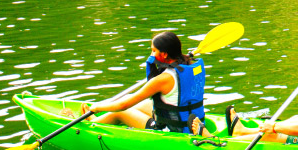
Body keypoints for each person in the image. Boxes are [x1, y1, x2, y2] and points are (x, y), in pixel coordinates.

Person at [80, 31, 208, 135]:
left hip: (175, 131)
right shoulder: (190, 65)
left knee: (121, 112)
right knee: (136, 101)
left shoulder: (163, 79)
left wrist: (97, 107)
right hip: (192, 121)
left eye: (153, 50)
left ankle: (92, 124)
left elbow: (124, 105)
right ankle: (97, 120)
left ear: (163, 54)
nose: (151, 53)